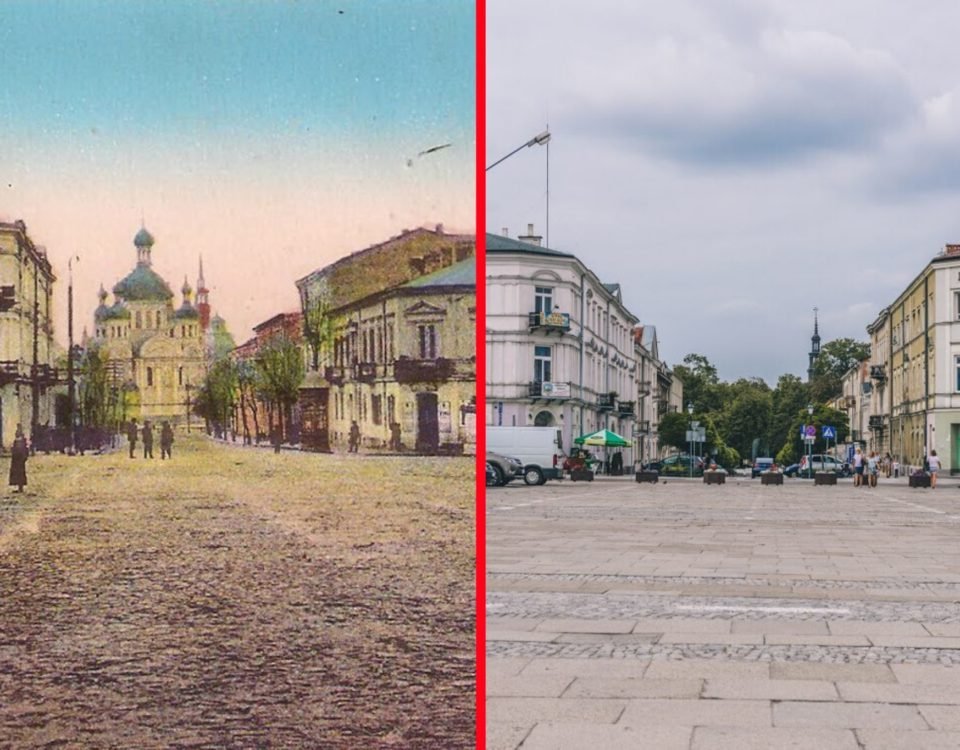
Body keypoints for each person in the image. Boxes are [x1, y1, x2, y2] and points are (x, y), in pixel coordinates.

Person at [9, 425, 28, 493]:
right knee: (17, 473)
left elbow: (24, 450)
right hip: (16, 459)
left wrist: (24, 457)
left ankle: (20, 487)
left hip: (19, 459)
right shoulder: (17, 441)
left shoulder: (21, 441)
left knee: (20, 473)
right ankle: (19, 486)